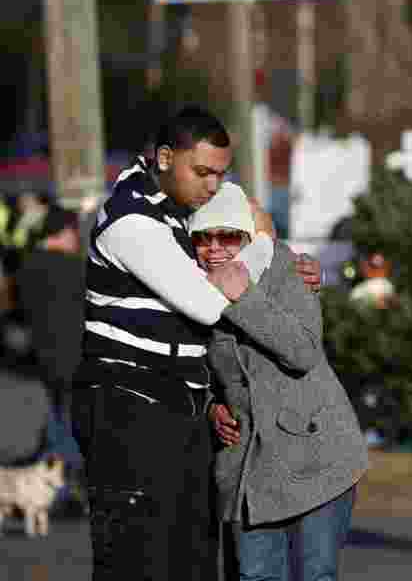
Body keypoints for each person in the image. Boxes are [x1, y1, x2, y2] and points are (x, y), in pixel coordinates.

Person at [71, 106, 322, 581]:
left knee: (193, 560)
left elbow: (235, 252)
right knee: (138, 560)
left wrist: (292, 265)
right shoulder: (133, 220)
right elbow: (208, 303)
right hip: (128, 407)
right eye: (202, 172)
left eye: (221, 174)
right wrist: (267, 244)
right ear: (165, 158)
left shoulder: (180, 209)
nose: (213, 186)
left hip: (181, 410)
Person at [194, 182, 368, 581]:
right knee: (256, 576)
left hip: (318, 452)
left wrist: (243, 298)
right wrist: (209, 407)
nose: (215, 247)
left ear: (247, 236)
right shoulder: (186, 288)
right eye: (203, 238)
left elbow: (302, 351)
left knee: (315, 574)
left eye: (228, 236)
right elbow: (188, 364)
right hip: (248, 466)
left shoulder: (288, 269)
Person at [15, 205, 88, 513]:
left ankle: (50, 481)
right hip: (77, 357)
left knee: (58, 417)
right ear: (65, 232)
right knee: (74, 423)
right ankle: (68, 484)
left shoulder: (27, 266)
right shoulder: (76, 267)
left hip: (45, 359)